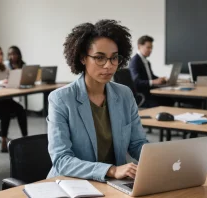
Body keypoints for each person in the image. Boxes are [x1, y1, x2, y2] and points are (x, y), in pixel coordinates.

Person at [47, 19, 149, 182]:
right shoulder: (61, 99)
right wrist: (111, 170)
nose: (108, 65)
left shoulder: (124, 94)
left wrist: (161, 160)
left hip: (113, 183)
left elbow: (137, 144)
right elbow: (61, 160)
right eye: (99, 58)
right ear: (82, 58)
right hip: (73, 184)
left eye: (114, 58)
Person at [129, 35, 172, 107]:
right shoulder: (135, 61)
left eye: (151, 48)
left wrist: (161, 79)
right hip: (143, 96)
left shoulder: (146, 61)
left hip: (150, 92)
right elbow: (136, 82)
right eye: (148, 47)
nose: (150, 50)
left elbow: (150, 76)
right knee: (167, 101)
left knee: (170, 99)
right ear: (139, 46)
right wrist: (153, 81)